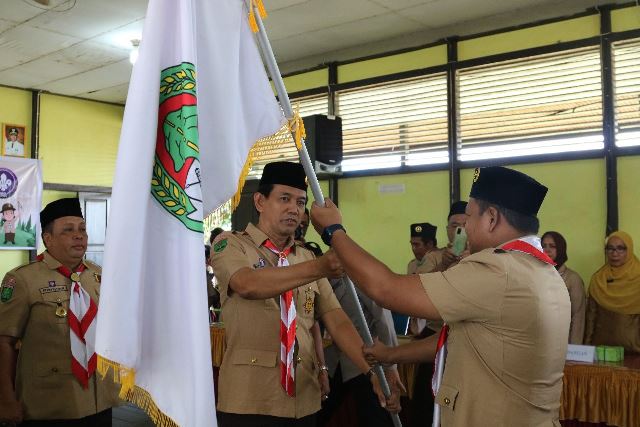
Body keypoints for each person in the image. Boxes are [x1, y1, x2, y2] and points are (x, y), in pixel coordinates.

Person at [311, 166, 570, 426]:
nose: (464, 226)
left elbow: (386, 289)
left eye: (468, 216)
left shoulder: (499, 269)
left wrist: (334, 231)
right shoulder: (543, 270)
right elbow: (459, 338)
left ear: (491, 218)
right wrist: (390, 355)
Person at [209, 161, 388, 427]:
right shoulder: (231, 245)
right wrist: (319, 267)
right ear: (259, 201)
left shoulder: (305, 257)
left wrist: (372, 371)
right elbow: (248, 284)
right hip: (249, 401)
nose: (294, 209)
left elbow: (337, 321)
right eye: (284, 199)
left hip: (303, 400)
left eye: (301, 202)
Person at [0, 198, 118, 427]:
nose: (79, 235)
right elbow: (4, 342)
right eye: (68, 230)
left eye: (82, 229)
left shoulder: (99, 276)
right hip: (50, 405)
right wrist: (5, 398)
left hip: (99, 400)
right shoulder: (23, 280)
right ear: (48, 239)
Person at [306, 243, 403, 427]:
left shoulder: (356, 280)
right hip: (336, 359)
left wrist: (391, 365)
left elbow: (383, 320)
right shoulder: (315, 285)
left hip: (367, 358)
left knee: (374, 413)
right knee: (319, 412)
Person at [585, 231, 640, 352]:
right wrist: (587, 347)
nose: (615, 254)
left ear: (629, 250)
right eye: (610, 249)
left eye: (620, 249)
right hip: (601, 350)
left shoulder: (638, 278)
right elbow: (591, 317)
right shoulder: (598, 279)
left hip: (635, 351)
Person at [542, 231, 586, 344]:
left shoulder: (573, 279)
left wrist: (574, 348)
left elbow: (578, 316)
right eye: (544, 246)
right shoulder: (536, 275)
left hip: (563, 342)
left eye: (552, 246)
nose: (547, 250)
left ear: (560, 249)